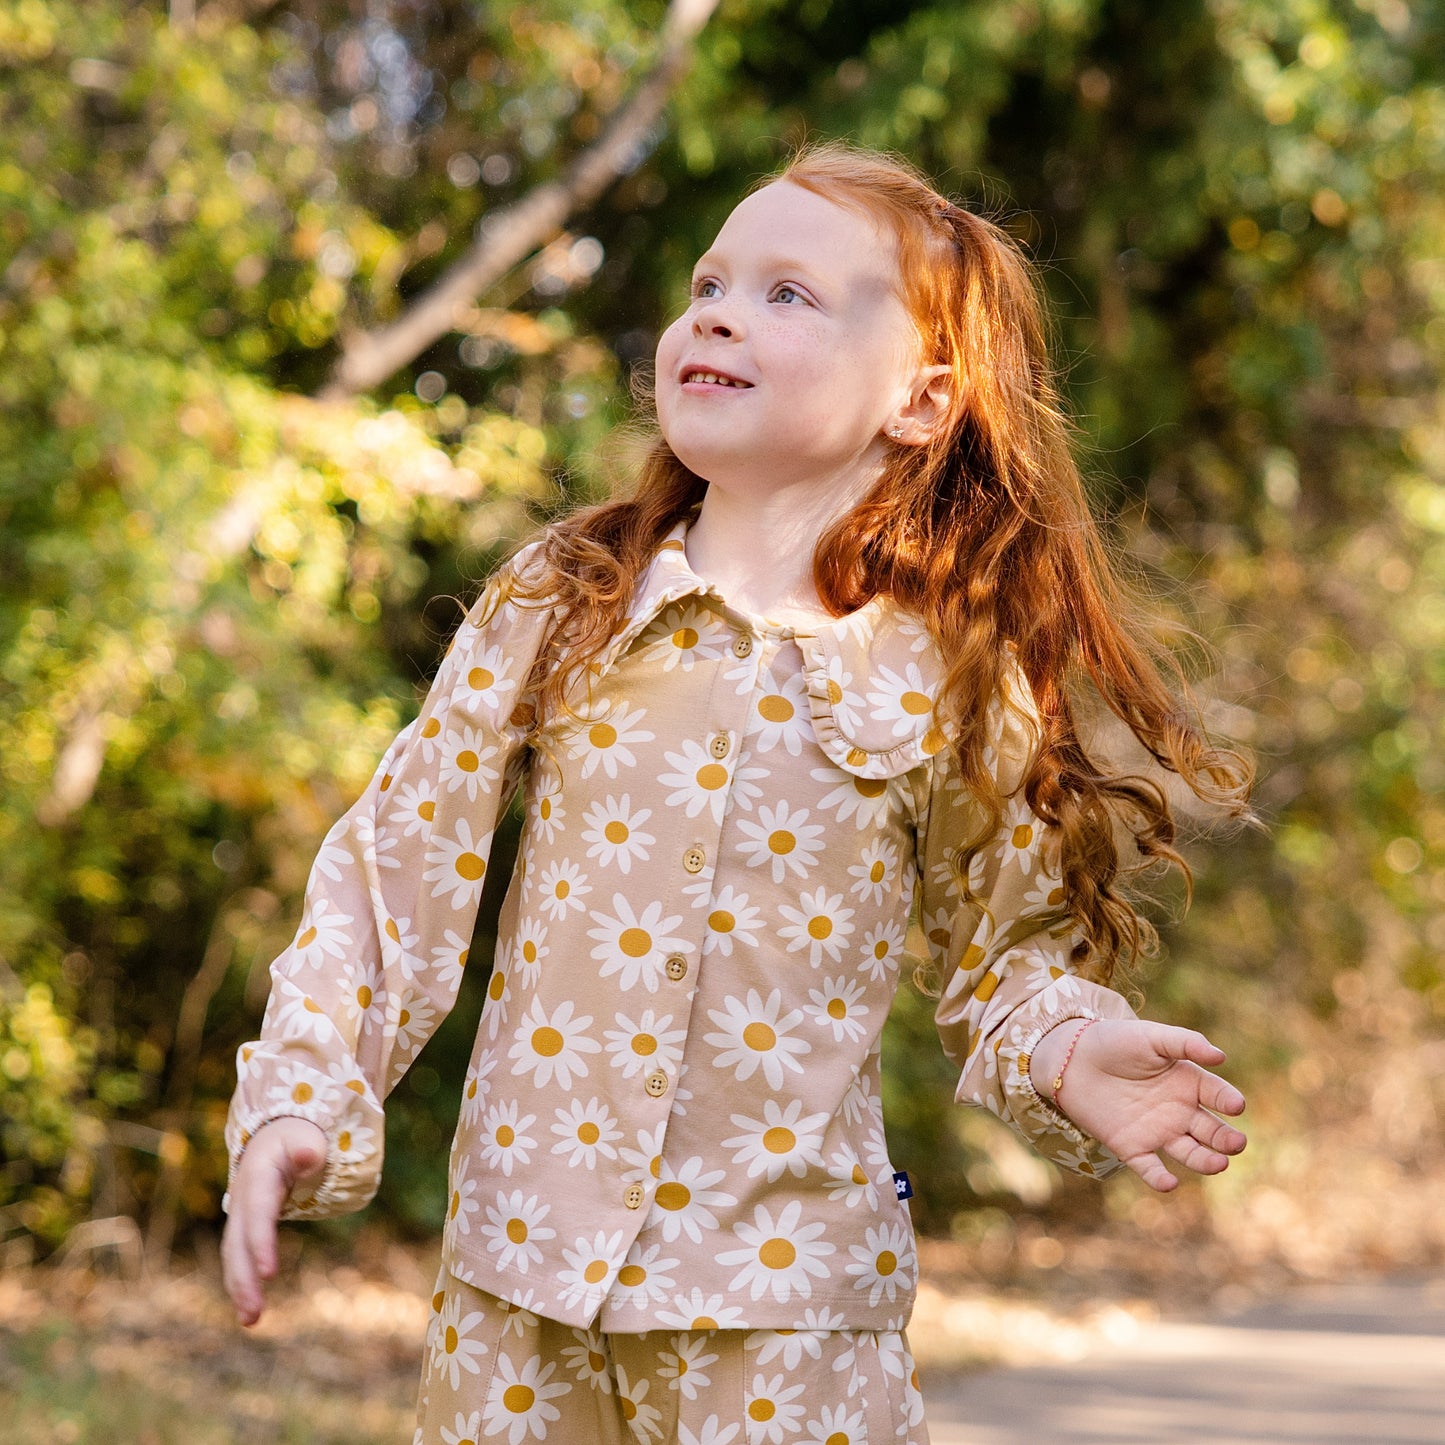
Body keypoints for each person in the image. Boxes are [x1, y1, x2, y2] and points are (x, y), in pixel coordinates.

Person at [221, 141, 1251, 1443]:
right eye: (708, 280)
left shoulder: (952, 668)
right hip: (514, 1297)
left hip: (786, 1318)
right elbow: (395, 869)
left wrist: (1065, 1045)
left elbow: (1000, 960)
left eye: (787, 294)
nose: (714, 309)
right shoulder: (568, 596)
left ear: (923, 401)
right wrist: (303, 1093)